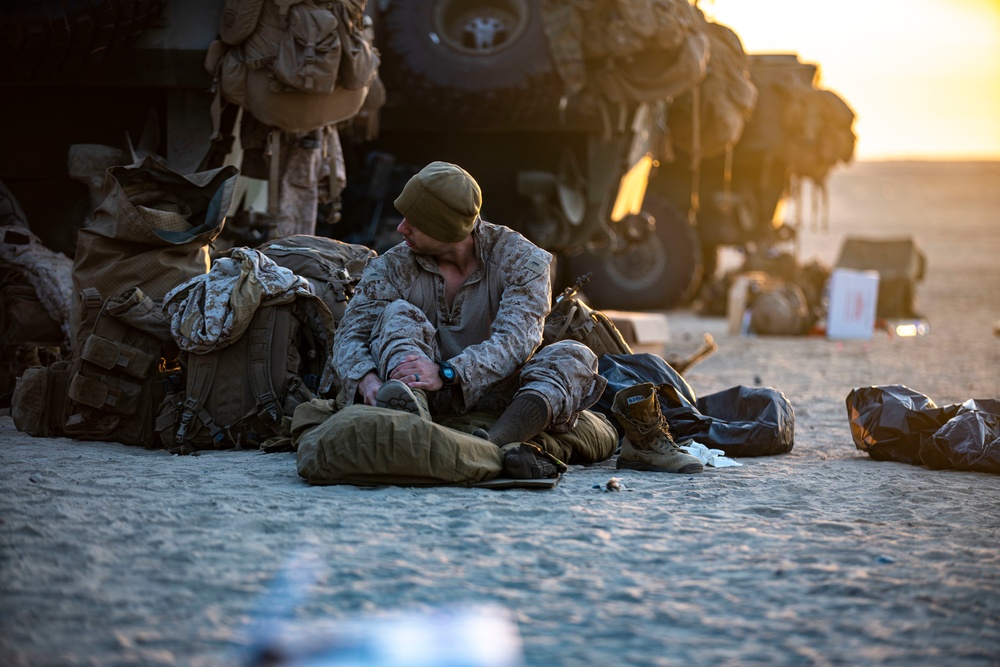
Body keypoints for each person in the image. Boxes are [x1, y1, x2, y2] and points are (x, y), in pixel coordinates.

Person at [330, 161, 607, 477]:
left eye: (415, 221)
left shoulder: (521, 260)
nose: (401, 228)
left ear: (446, 229)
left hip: (500, 393)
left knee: (574, 356)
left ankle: (492, 442)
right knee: (396, 316)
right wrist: (368, 382)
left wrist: (449, 372)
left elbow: (517, 340)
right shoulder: (393, 267)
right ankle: (413, 421)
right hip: (417, 389)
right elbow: (350, 334)